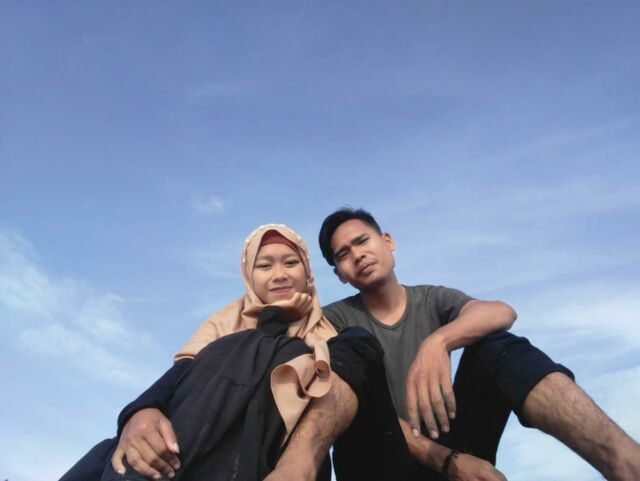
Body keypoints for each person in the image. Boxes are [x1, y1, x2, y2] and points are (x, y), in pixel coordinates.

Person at [318, 207, 640, 481]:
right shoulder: (333, 319)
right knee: (346, 370)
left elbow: (501, 312)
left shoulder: (432, 299)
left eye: (362, 241)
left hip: (450, 447)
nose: (357, 255)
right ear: (339, 275)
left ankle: (624, 461)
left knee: (492, 344)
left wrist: (438, 342)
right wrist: (449, 461)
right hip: (382, 464)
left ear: (387, 241)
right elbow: (360, 413)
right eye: (343, 255)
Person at [59, 224, 382, 481]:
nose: (280, 275)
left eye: (291, 263)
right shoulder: (223, 325)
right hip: (179, 447)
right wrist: (140, 411)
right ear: (249, 276)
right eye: (264, 265)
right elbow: (180, 375)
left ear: (307, 272)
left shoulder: (331, 335)